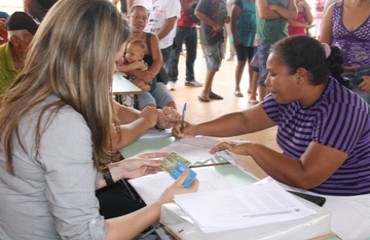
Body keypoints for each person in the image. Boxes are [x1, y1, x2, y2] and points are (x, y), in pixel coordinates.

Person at [0, 1, 198, 240]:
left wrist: (117, 170)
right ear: (91, 59)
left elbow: (53, 181)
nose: (115, 72)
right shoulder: (61, 122)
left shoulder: (31, 95)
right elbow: (85, 235)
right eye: (115, 62)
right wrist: (164, 204)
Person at [173, 35, 370, 238]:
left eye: (273, 74)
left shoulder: (342, 109)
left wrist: (254, 148)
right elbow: (245, 120)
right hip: (295, 189)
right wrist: (196, 129)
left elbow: (306, 177)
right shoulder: (289, 97)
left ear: (300, 75)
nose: (266, 81)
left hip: (347, 198)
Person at [118, 4, 177, 110]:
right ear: (128, 18)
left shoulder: (151, 38)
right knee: (149, 104)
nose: (140, 21)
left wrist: (147, 78)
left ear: (147, 21)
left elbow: (158, 61)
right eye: (136, 17)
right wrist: (139, 74)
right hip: (130, 82)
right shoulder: (121, 38)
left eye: (144, 18)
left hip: (153, 80)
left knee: (169, 103)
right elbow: (118, 65)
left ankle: (170, 121)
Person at [320, 0, 370, 104]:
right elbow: (323, 48)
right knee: (336, 116)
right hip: (336, 74)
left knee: (360, 117)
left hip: (365, 79)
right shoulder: (334, 9)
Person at [255, 0, 297, 101]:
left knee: (283, 74)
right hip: (266, 40)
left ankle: (274, 104)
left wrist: (276, 8)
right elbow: (264, 13)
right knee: (265, 75)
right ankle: (263, 106)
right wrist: (285, 14)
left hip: (283, 40)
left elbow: (294, 14)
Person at [195, 0, 229, 102]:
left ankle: (209, 90)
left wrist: (225, 18)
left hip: (218, 35)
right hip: (210, 34)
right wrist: (214, 24)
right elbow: (198, 12)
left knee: (214, 62)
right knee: (214, 61)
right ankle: (205, 91)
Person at [167, 0, 203, 91]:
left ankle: (190, 78)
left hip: (193, 27)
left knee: (192, 55)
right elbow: (184, 9)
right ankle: (171, 80)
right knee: (174, 55)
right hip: (180, 26)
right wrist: (197, 3)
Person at [0, 11, 39, 95]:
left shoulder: (39, 54)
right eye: (33, 40)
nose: (37, 43)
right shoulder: (2, 59)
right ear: (15, 40)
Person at [144, 0, 181, 72]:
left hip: (162, 46)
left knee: (158, 76)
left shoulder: (172, 1)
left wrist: (152, 42)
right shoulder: (146, 1)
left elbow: (170, 24)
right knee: (144, 71)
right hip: (144, 44)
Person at [230, 0, 256, 98]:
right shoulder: (239, 3)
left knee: (252, 64)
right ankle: (237, 88)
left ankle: (251, 87)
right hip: (240, 38)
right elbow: (233, 22)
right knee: (241, 62)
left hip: (253, 39)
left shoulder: (258, 3)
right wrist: (235, 37)